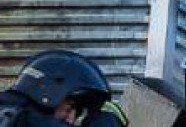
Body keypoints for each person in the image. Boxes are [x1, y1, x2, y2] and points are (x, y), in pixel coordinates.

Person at [0, 51, 129, 127]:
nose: (70, 120)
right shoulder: (12, 117)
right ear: (45, 96)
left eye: (76, 114)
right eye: (68, 109)